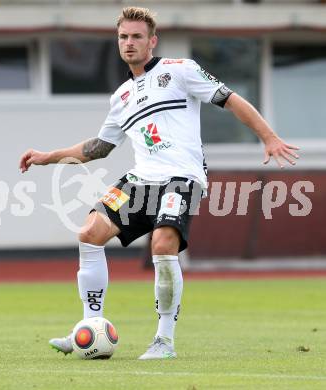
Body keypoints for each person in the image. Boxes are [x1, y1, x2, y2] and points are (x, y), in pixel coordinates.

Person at [19, 7, 299, 360]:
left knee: (163, 244)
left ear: (152, 41)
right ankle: (91, 328)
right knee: (89, 233)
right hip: (141, 179)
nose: (129, 43)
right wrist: (48, 156)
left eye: (137, 36)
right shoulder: (121, 97)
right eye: (123, 37)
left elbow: (231, 99)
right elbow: (99, 148)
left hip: (181, 177)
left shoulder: (180, 71)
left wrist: (269, 138)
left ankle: (164, 341)